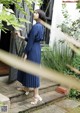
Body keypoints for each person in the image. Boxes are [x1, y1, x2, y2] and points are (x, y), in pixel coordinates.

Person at [15, 9, 46, 104]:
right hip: (36, 49)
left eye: (36, 13)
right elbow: (31, 39)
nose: (34, 14)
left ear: (40, 15)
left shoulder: (36, 26)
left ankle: (36, 95)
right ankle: (26, 88)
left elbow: (30, 42)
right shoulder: (41, 26)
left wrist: (25, 54)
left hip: (32, 50)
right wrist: (20, 37)